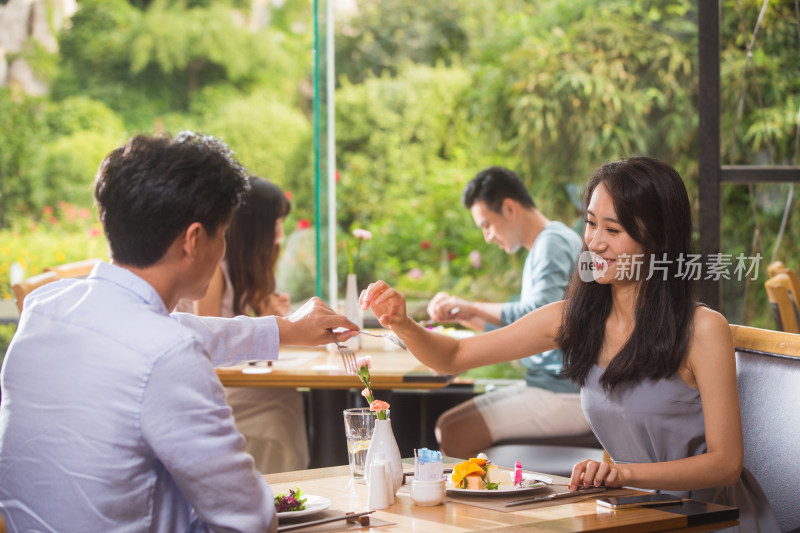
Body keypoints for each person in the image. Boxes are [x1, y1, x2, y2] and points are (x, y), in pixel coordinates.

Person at [360, 156, 779, 532]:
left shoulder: (703, 329)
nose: (594, 242)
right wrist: (405, 323)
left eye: (613, 229)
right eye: (591, 222)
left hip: (713, 519)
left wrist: (623, 474)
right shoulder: (572, 318)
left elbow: (725, 465)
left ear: (659, 240)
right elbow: (453, 356)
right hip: (635, 514)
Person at [0, 132, 357, 533]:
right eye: (222, 234)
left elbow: (176, 330)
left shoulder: (46, 309)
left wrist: (287, 328)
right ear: (193, 241)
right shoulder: (168, 355)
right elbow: (250, 519)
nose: (224, 247)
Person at [426, 166, 587, 459]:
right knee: (447, 425)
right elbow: (525, 328)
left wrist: (472, 307)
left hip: (566, 393)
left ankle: (476, 500)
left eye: (487, 224)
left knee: (453, 432)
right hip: (549, 385)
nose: (487, 236)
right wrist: (466, 315)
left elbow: (539, 317)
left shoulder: (551, 244)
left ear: (509, 207)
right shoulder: (546, 244)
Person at [178, 176, 307, 473]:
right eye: (277, 222)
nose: (281, 233)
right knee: (279, 407)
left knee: (285, 399)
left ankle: (288, 484)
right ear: (256, 228)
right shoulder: (214, 275)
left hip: (231, 380)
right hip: (210, 388)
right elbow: (210, 344)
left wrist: (268, 312)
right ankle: (281, 488)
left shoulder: (245, 269)